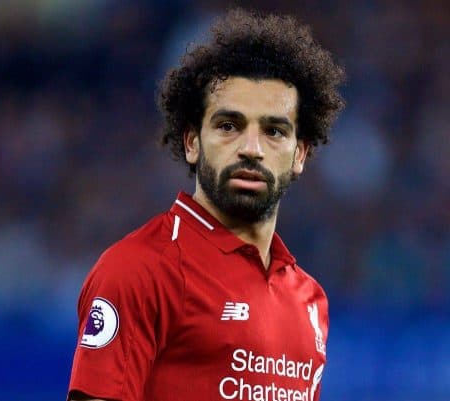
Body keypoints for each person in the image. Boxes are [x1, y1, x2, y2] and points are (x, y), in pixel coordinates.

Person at [67, 8, 345, 401]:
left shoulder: (310, 300)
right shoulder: (138, 271)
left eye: (274, 131)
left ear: (299, 154)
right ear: (192, 142)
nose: (251, 149)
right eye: (229, 126)